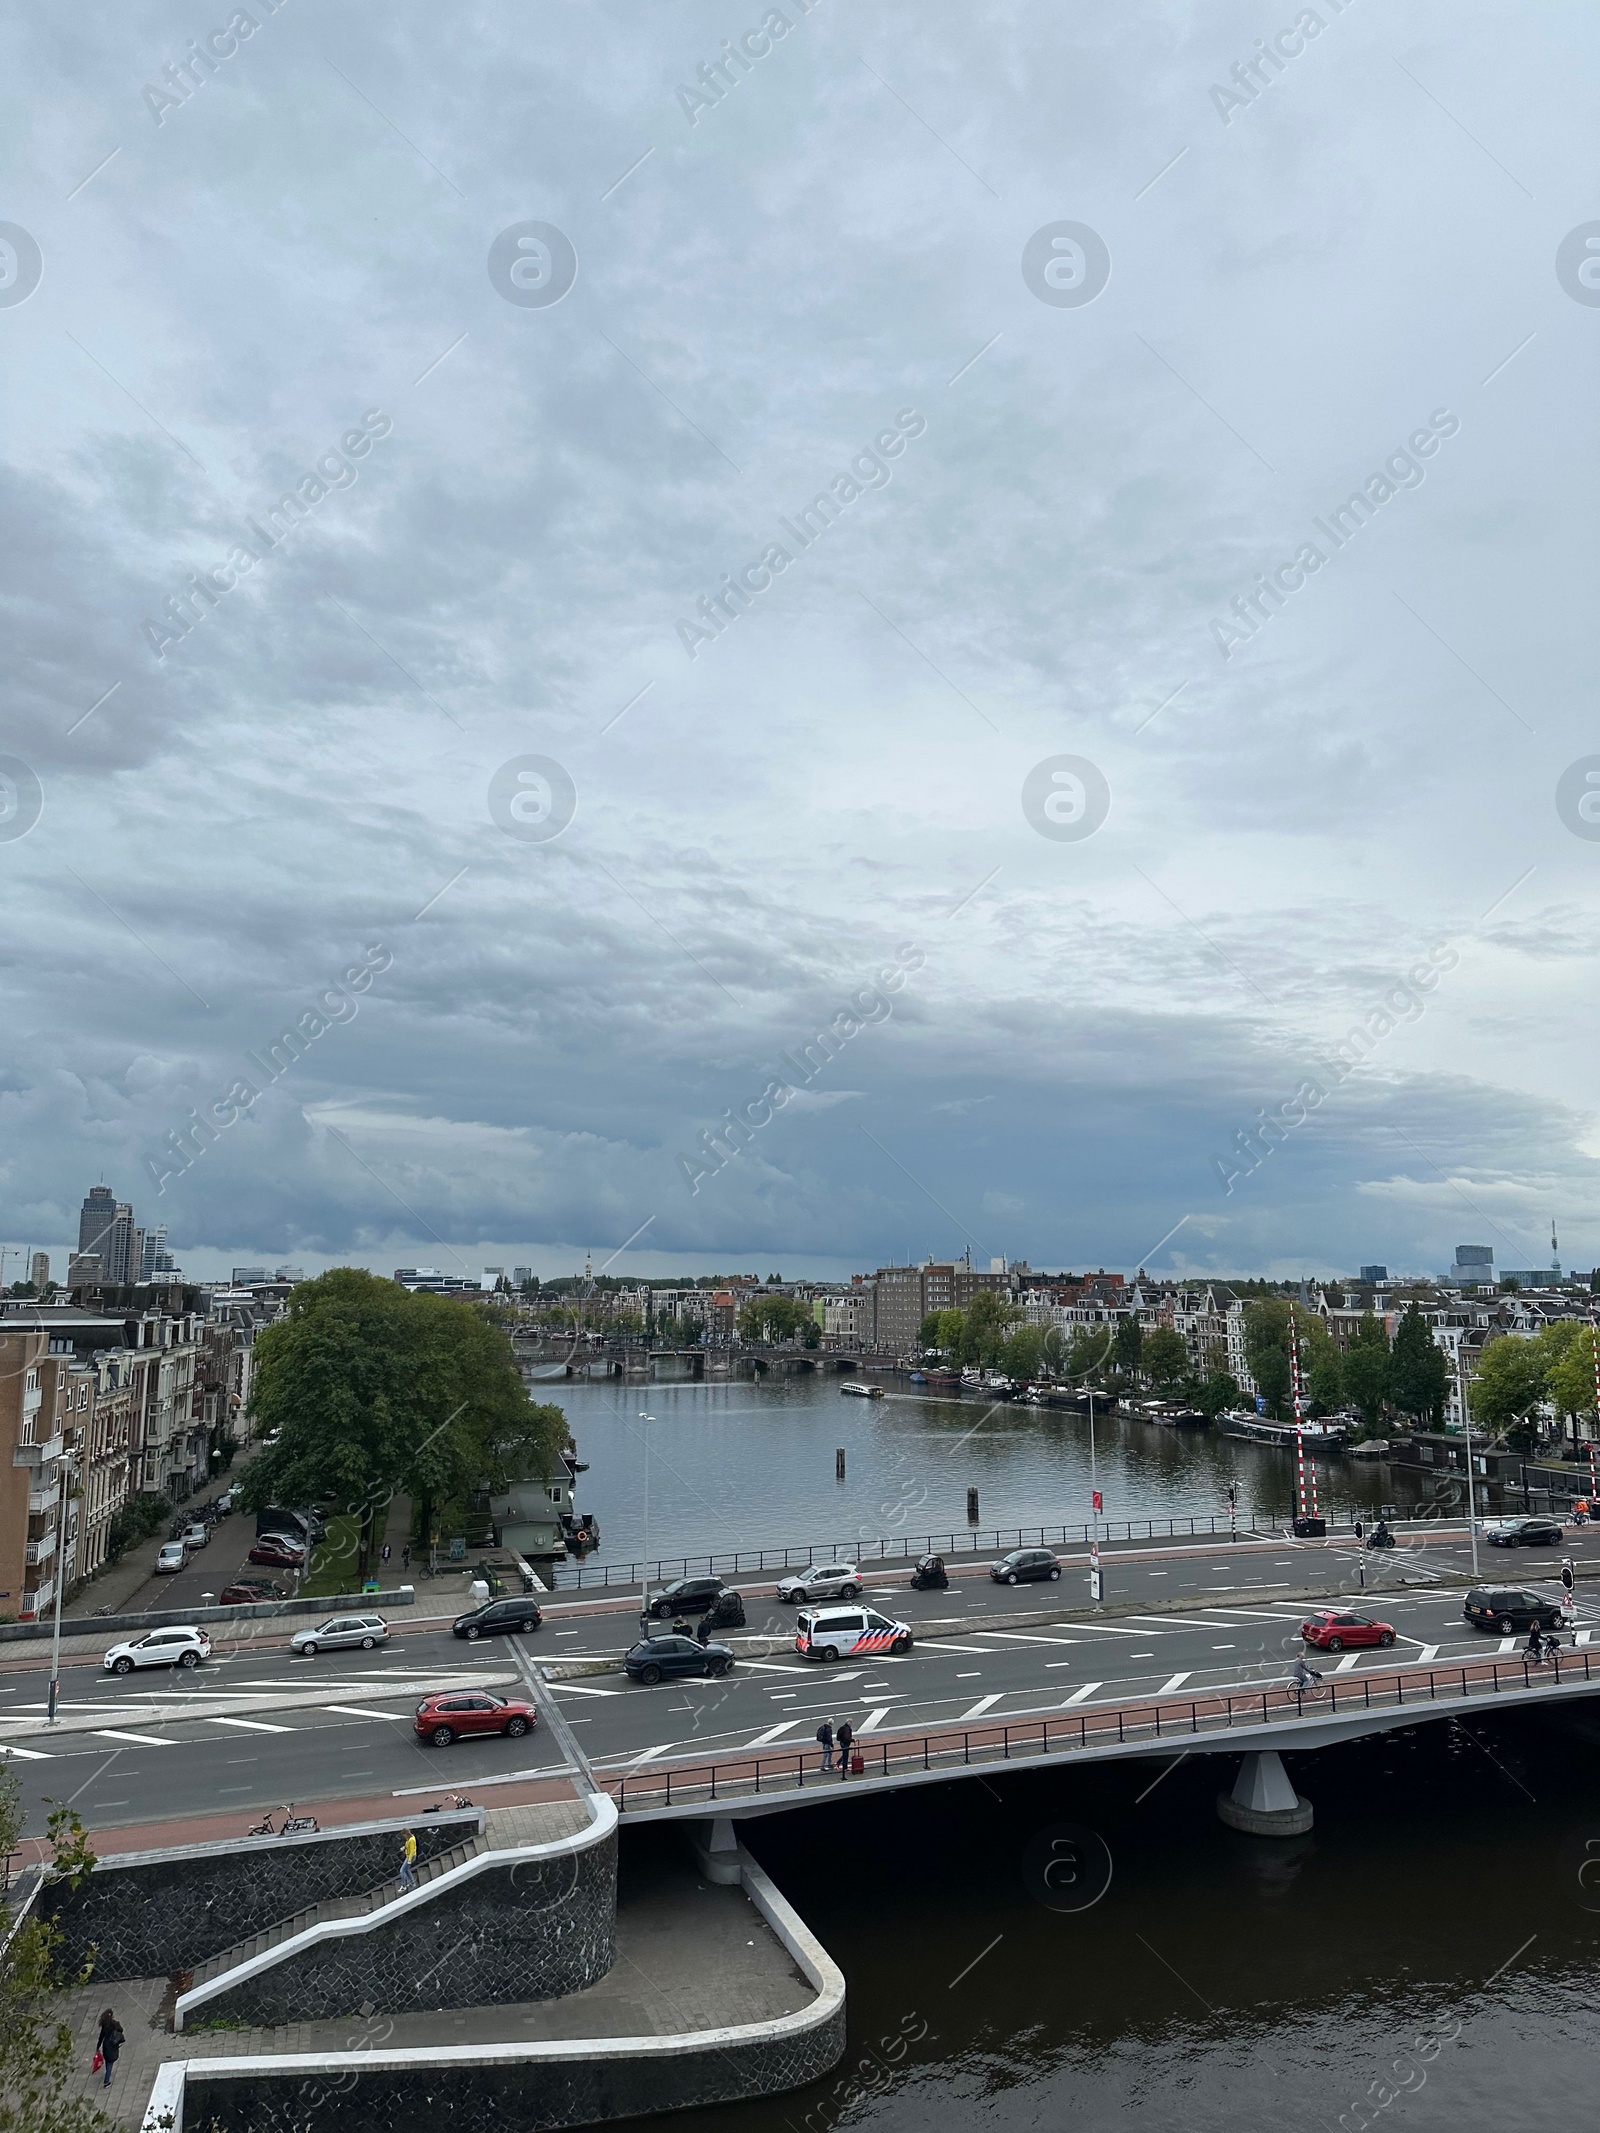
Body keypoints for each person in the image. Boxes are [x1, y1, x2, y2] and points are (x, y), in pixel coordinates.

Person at [95, 2009, 124, 2090]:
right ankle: (106, 2081)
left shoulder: (104, 2026)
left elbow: (101, 2037)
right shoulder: (115, 2024)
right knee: (110, 2063)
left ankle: (107, 2072)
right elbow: (121, 2030)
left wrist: (97, 2047)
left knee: (108, 2060)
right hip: (112, 2046)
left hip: (106, 2046)